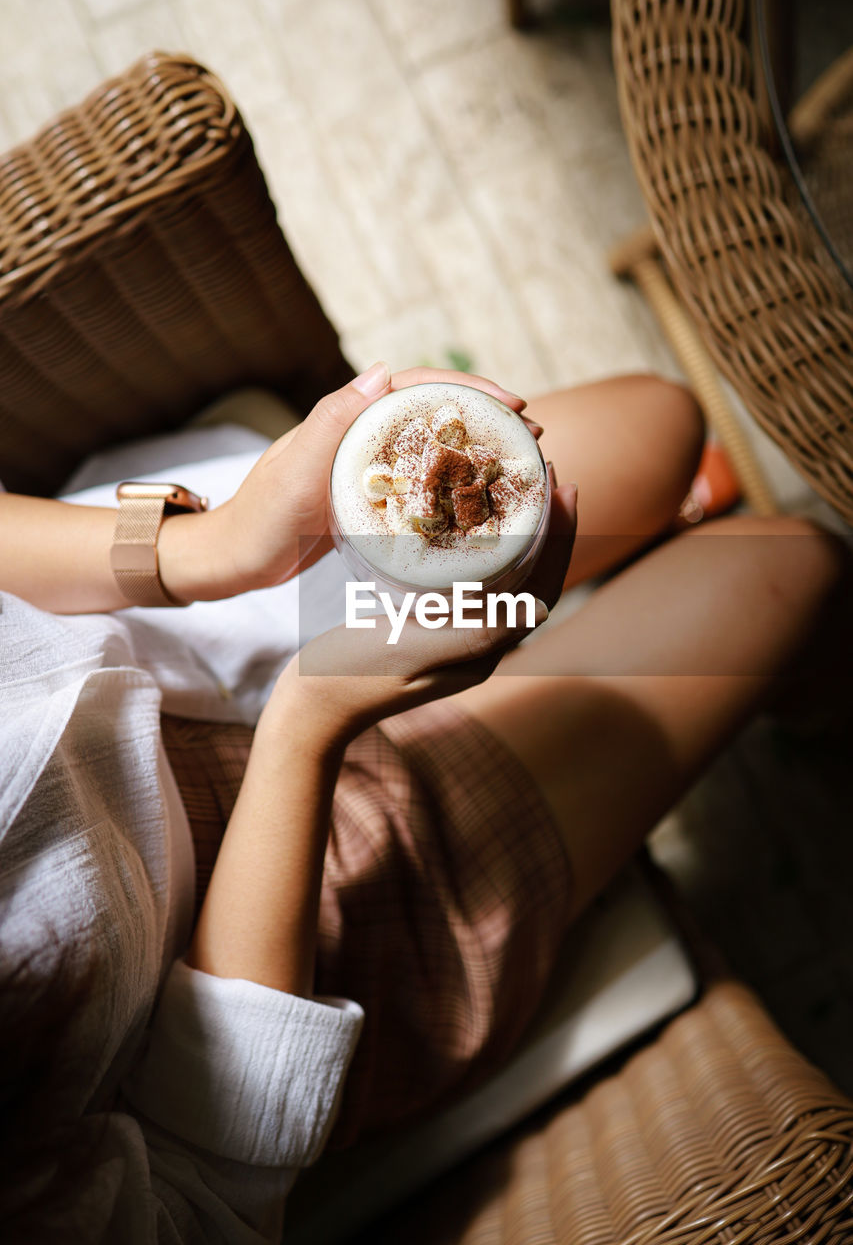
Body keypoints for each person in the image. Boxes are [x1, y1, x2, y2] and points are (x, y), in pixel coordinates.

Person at [0, 360, 844, 1243]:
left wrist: (210, 551)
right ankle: (792, 681)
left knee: (658, 425)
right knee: (791, 563)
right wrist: (311, 715)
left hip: (157, 629)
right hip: (278, 929)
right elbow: (198, 1198)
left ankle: (658, 551)